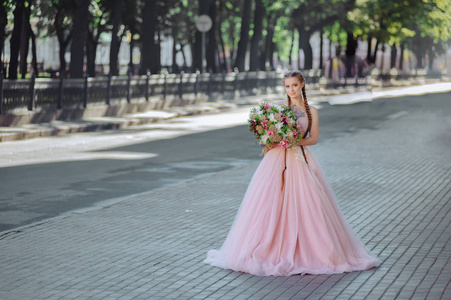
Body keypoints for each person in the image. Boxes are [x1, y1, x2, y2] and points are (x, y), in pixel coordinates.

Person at [204, 71, 379, 276]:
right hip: (276, 159)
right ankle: (267, 247)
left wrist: (292, 141)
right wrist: (271, 139)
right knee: (268, 202)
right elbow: (267, 133)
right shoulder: (277, 108)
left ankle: (312, 250)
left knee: (308, 202)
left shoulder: (311, 110)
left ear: (302, 84)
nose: (291, 89)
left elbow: (313, 139)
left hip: (299, 158)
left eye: (294, 85)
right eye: (287, 86)